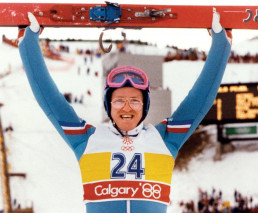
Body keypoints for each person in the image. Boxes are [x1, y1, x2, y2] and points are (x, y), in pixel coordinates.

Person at [18, 12, 231, 213]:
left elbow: (200, 99)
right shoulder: (88, 140)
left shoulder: (164, 138)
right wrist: (28, 44)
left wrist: (221, 45)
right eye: (119, 100)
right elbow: (50, 100)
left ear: (145, 106)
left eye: (135, 101)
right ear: (109, 106)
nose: (127, 107)